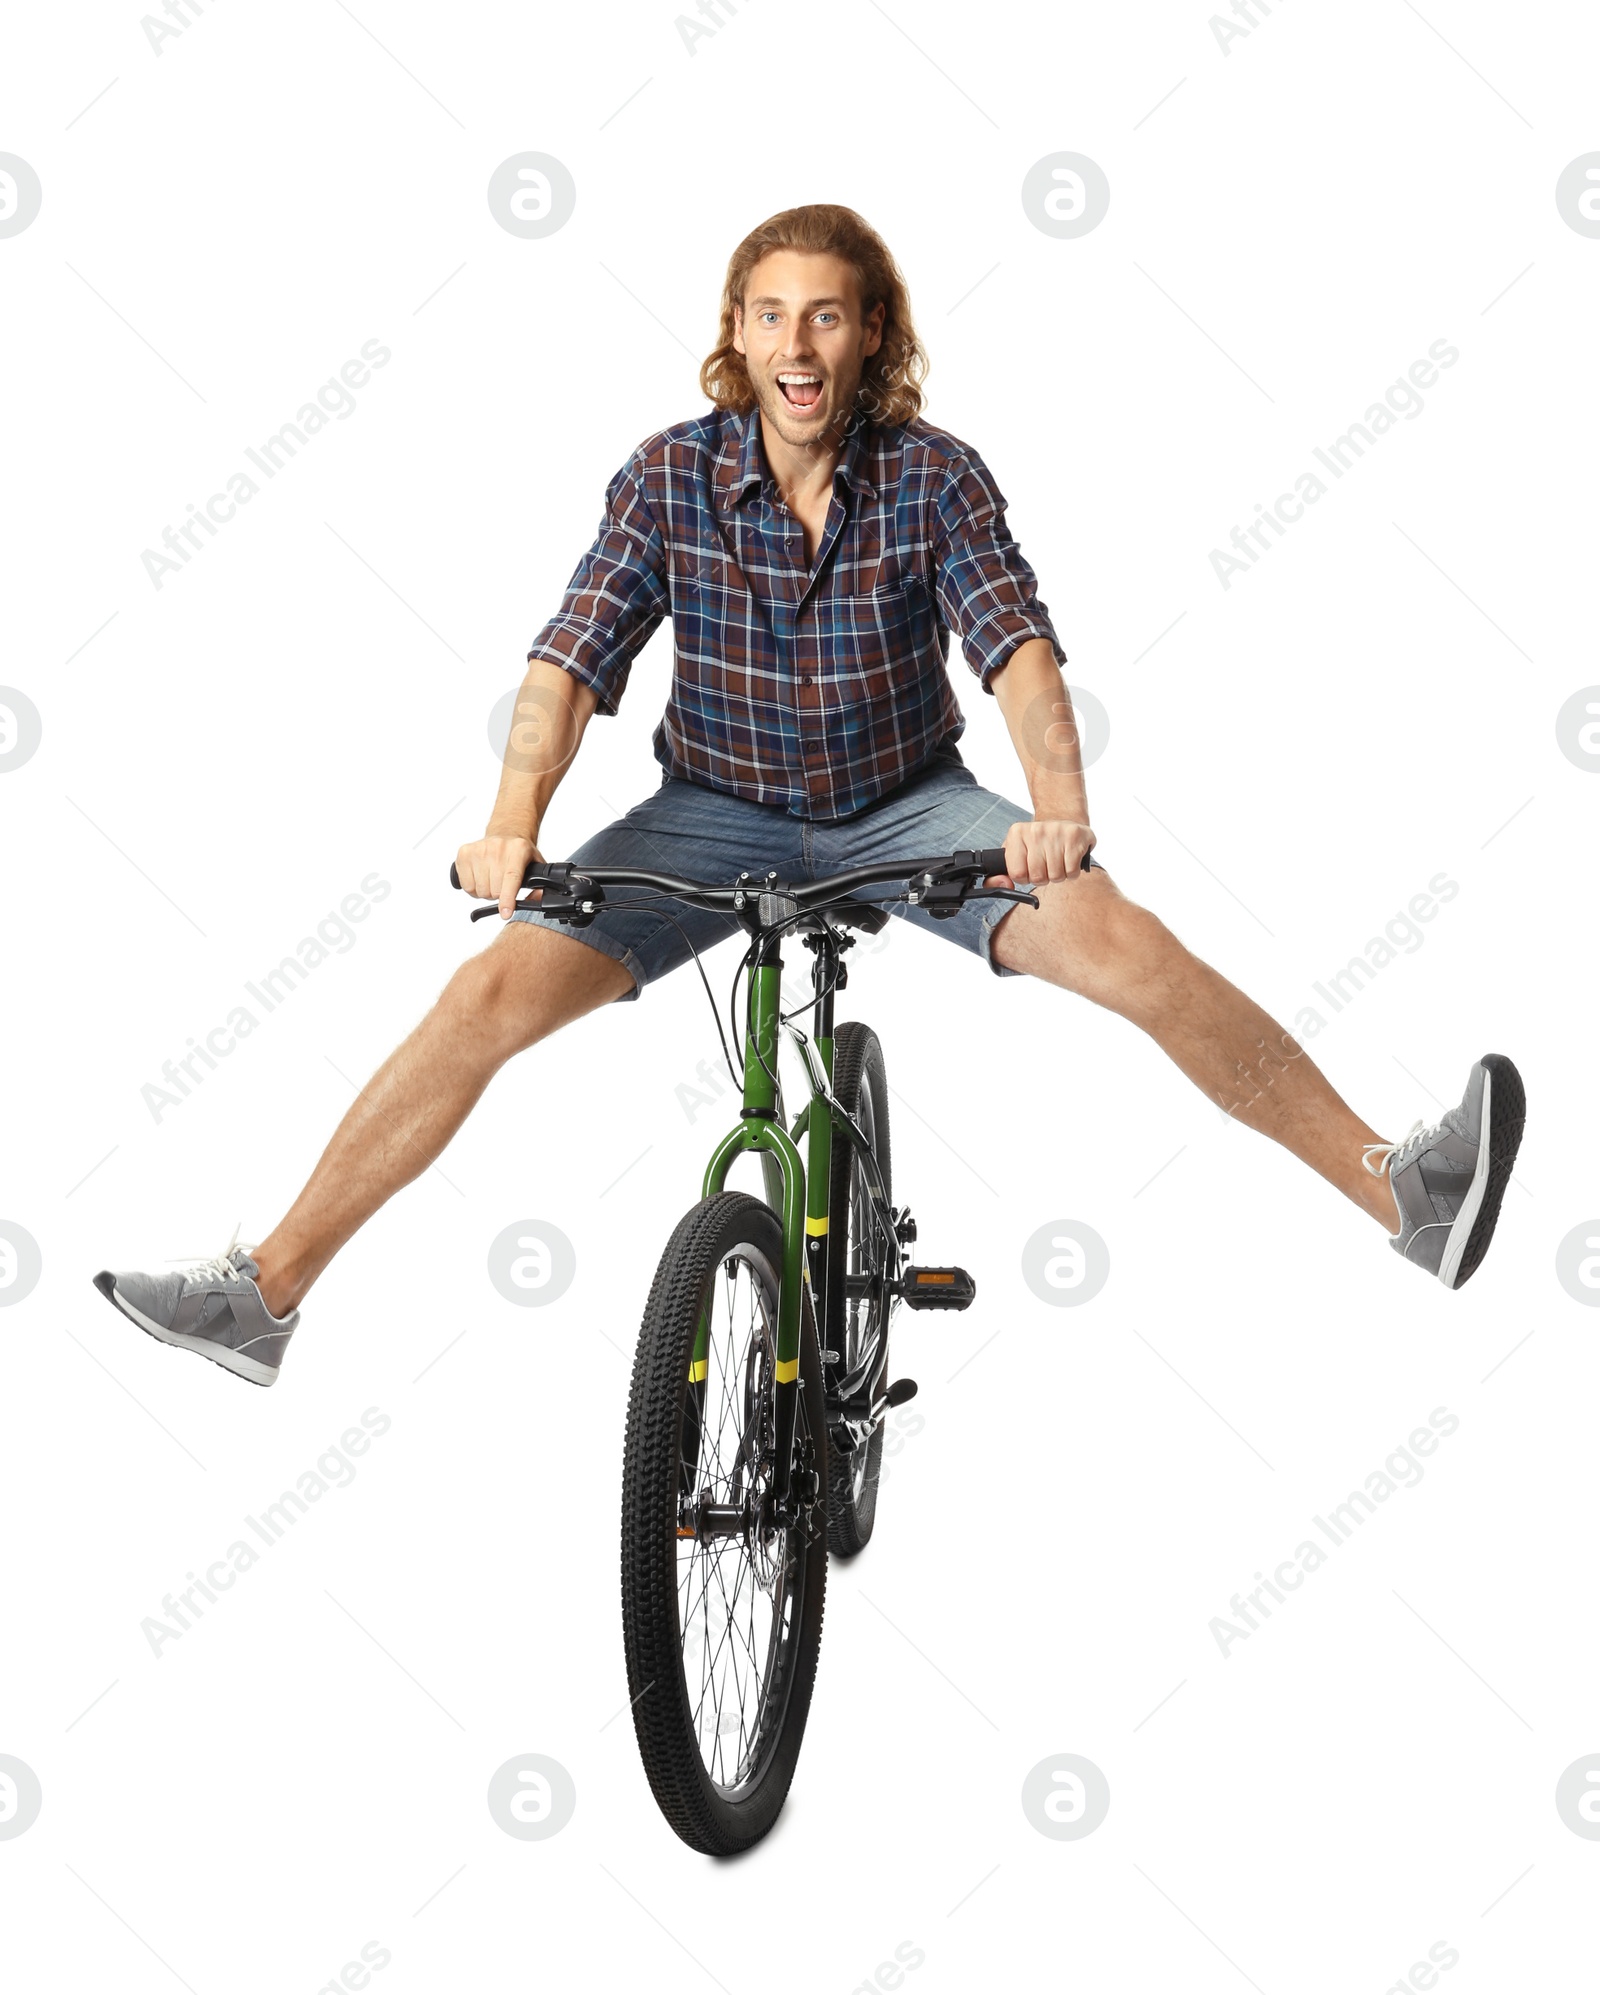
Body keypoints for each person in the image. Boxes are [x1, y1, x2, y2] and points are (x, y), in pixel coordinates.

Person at [92, 204, 1525, 1387]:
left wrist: (1056, 808)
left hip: (907, 808)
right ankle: (266, 1296)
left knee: (1124, 943)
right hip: (706, 815)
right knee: (480, 1003)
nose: (798, 343)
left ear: (872, 338)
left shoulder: (931, 479)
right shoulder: (665, 478)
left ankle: (1401, 1192)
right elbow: (570, 659)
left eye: (828, 315)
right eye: (771, 314)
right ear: (734, 336)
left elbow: (1015, 649)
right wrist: (511, 826)